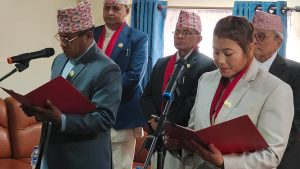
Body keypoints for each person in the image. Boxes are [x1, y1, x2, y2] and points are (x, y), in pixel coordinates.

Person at [178, 16, 294, 169]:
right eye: (216, 52)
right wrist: (180, 141)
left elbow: (271, 155)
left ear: (250, 49)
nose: (220, 60)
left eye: (228, 54)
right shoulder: (206, 80)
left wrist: (224, 162)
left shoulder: (275, 89)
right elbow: (194, 128)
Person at [22, 1, 122, 169]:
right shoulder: (59, 60)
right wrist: (38, 109)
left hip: (83, 159)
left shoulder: (107, 69)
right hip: (52, 155)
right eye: (60, 36)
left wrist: (62, 120)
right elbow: (54, 101)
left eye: (68, 38)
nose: (62, 43)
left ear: (89, 35)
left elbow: (104, 119)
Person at [141, 10, 216, 169]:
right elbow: (146, 96)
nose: (180, 36)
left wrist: (166, 124)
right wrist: (154, 119)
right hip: (156, 136)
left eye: (187, 32)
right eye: (178, 32)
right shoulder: (162, 62)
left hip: (181, 140)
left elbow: (194, 102)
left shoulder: (207, 65)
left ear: (199, 38)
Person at [93, 0, 148, 168]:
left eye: (115, 8)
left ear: (127, 10)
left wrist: (99, 90)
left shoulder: (138, 38)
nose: (110, 12)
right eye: (106, 8)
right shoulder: (91, 34)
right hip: (92, 114)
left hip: (122, 114)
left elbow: (133, 77)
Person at [252, 11, 300, 169]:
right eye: (250, 36)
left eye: (260, 36)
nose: (254, 41)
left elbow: (297, 120)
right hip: (243, 154)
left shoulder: (295, 72)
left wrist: (269, 147)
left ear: (278, 42)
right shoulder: (240, 70)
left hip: (284, 153)